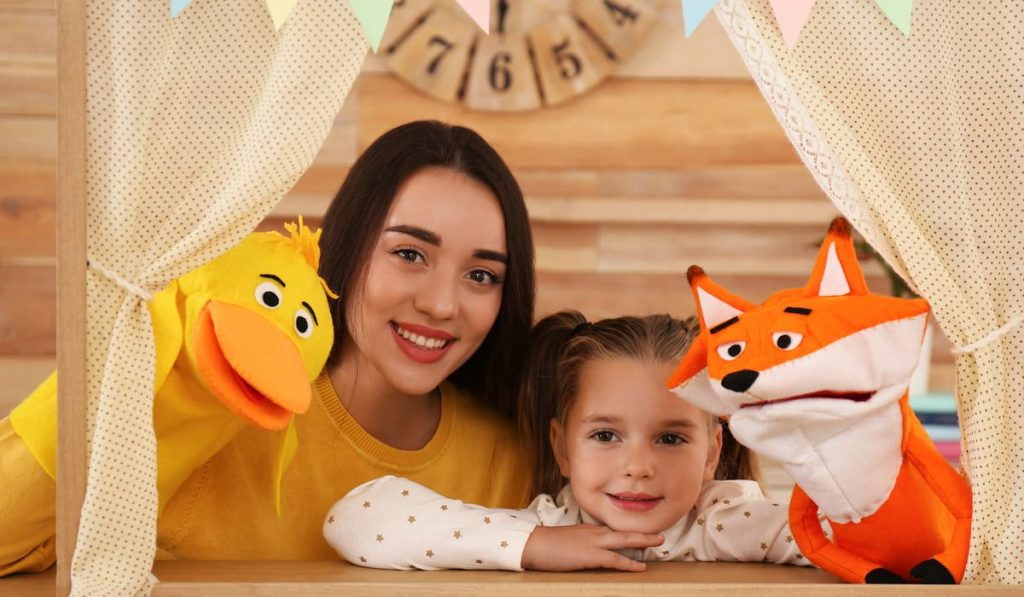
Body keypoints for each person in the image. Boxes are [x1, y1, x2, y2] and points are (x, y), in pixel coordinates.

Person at [0, 120, 537, 574]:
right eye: (410, 254)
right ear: (345, 248)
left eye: (482, 275)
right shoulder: (214, 398)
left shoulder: (513, 458)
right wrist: (165, 354)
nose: (443, 305)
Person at [324, 312, 812, 572]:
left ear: (713, 452)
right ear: (561, 448)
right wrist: (534, 545)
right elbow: (354, 521)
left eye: (669, 437)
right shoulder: (543, 528)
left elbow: (856, 541)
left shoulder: (731, 525)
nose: (637, 466)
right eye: (605, 435)